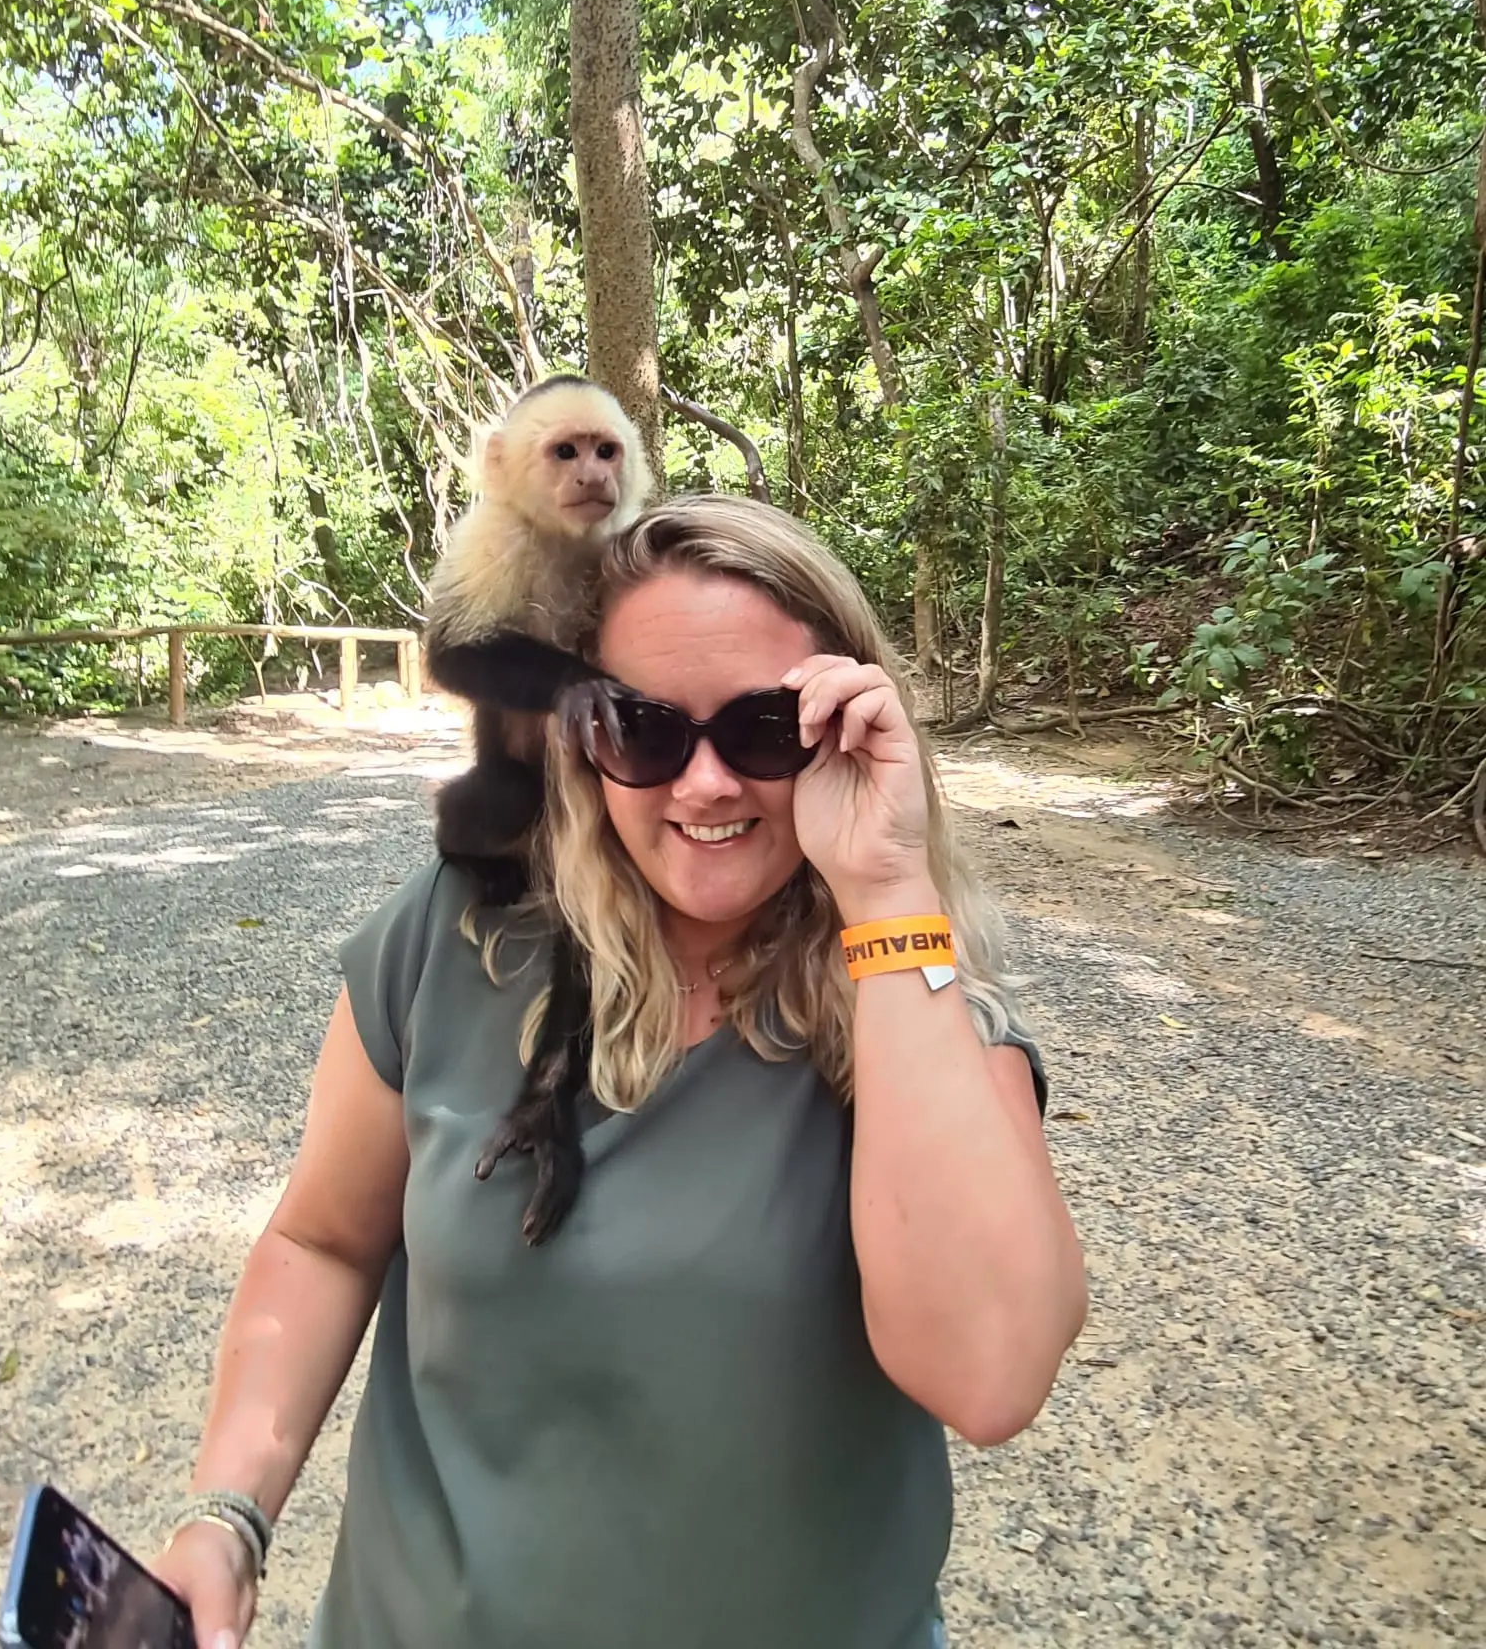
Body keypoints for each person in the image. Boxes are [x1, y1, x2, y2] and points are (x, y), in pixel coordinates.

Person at [155, 495, 1086, 1649]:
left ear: (846, 723)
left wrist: (889, 894)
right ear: (578, 738)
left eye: (762, 729)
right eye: (643, 731)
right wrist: (227, 1513)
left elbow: (992, 1377)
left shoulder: (920, 1015)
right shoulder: (458, 936)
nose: (704, 785)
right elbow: (322, 1240)